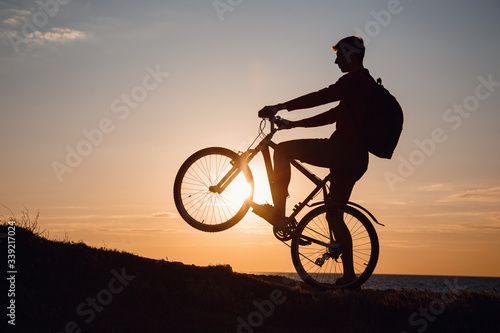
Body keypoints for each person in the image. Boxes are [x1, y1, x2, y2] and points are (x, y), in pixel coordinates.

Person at [256, 35, 375, 285]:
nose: (335, 61)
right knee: (334, 215)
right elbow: (332, 114)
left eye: (339, 55)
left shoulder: (354, 80)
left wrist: (280, 106)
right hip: (356, 159)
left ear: (351, 55)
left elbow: (321, 97)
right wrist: (295, 124)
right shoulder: (364, 85)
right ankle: (350, 278)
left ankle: (279, 213)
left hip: (343, 151)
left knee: (283, 151)